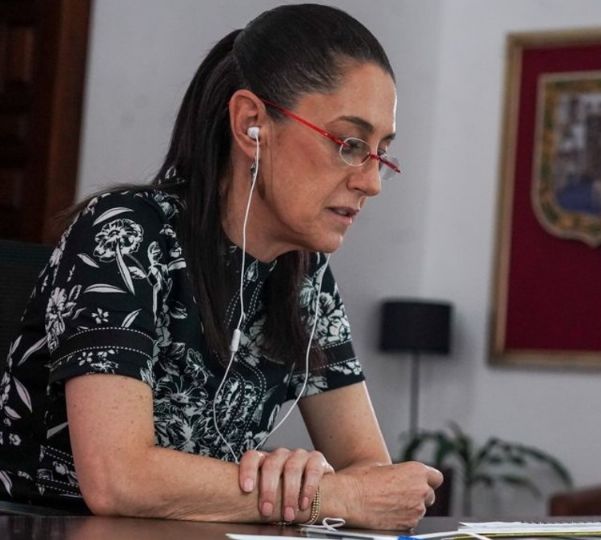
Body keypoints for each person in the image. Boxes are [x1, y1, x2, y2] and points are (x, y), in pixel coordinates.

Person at [0, 4, 442, 529]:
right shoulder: (126, 233)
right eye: (349, 144)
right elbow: (118, 477)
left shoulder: (305, 275)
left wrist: (320, 483)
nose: (370, 182)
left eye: (381, 153)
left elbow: (367, 471)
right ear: (251, 124)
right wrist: (324, 496)